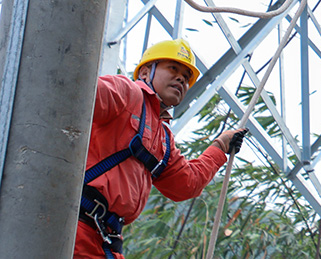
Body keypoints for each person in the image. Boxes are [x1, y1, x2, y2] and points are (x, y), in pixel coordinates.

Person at [76, 39, 246, 258]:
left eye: (186, 77)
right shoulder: (126, 93)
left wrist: (220, 146)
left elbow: (186, 184)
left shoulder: (163, 139)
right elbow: (79, 94)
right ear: (146, 72)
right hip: (76, 227)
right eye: (173, 68)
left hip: (103, 240)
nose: (181, 79)